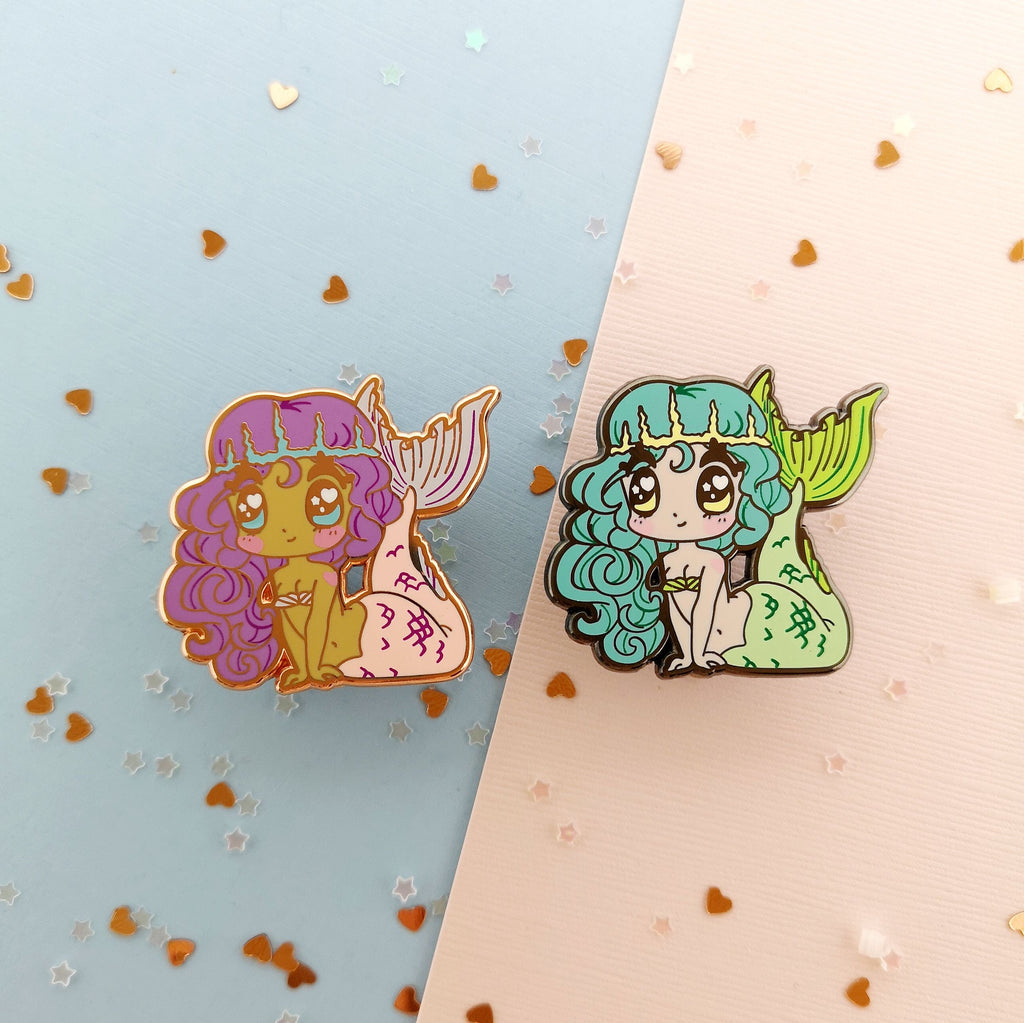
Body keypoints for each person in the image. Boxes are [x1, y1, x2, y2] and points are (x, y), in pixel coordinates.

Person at [160, 376, 499, 692]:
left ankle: (406, 497)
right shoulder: (284, 578)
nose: (286, 530)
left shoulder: (323, 576)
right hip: (364, 642)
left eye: (322, 504)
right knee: (393, 564)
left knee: (395, 560)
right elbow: (292, 627)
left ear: (357, 499)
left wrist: (312, 669)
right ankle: (405, 498)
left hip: (405, 642)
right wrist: (302, 668)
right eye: (252, 510)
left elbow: (318, 625)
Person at [546, 369, 884, 675]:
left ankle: (793, 493)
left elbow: (704, 610)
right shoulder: (670, 561)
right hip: (721, 641)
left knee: (783, 552)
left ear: (745, 488)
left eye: (713, 489)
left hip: (774, 631)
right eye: (645, 490)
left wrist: (697, 655)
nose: (677, 514)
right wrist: (686, 655)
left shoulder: (711, 561)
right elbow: (678, 611)